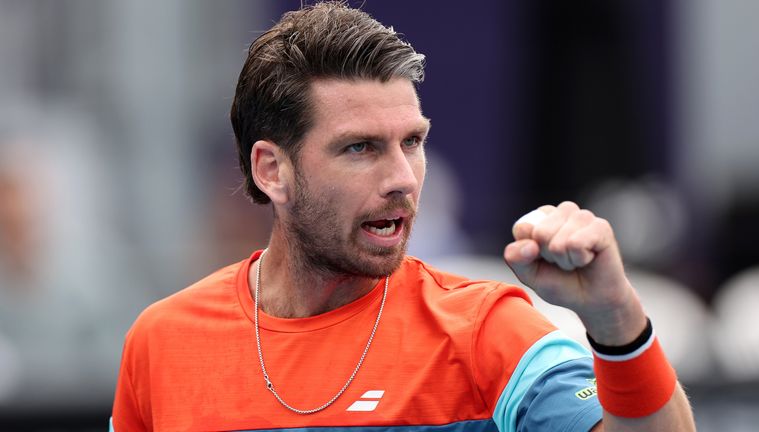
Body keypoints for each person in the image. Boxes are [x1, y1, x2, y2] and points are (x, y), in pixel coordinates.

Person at [111, 2, 695, 431]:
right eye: (359, 147)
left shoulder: (485, 331)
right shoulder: (161, 343)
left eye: (411, 142)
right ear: (272, 170)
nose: (402, 178)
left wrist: (617, 320)